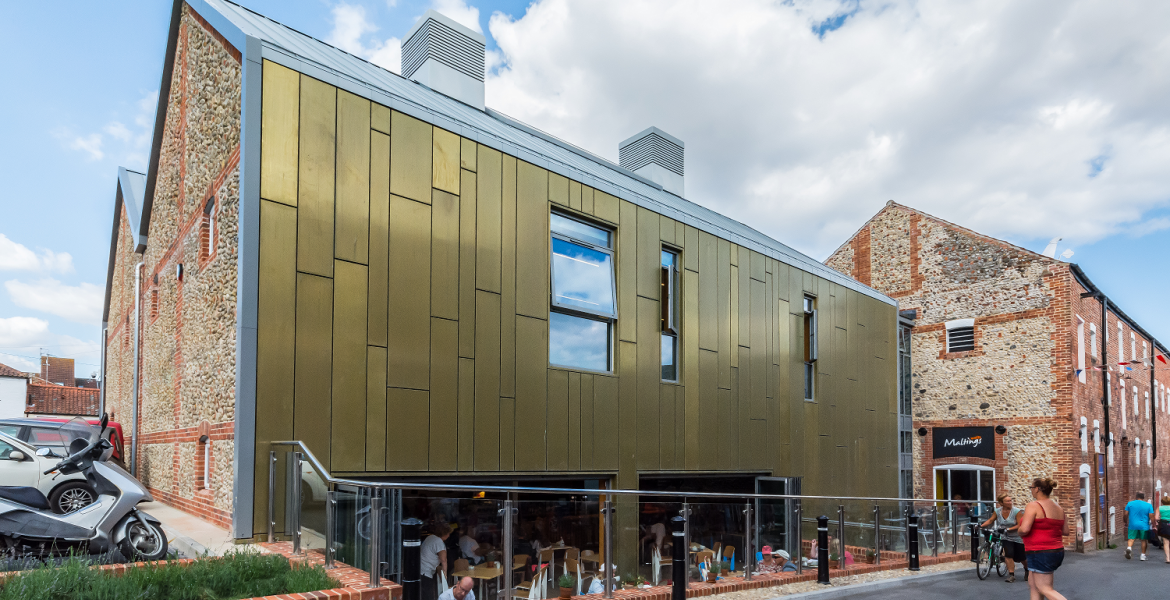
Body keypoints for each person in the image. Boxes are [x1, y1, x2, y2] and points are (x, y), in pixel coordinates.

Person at [1018, 477, 1068, 600]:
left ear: (1037, 489)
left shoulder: (1034, 505)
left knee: (1044, 588)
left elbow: (1024, 529)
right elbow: (1066, 531)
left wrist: (1018, 530)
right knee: (1034, 586)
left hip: (1040, 552)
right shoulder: (1059, 508)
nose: (1030, 490)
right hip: (1055, 551)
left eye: (1031, 487)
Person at [980, 492, 1027, 583]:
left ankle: (1027, 570)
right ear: (1001, 503)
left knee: (1021, 558)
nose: (1010, 502)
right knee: (1008, 554)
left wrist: (1008, 529)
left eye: (1010, 500)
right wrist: (981, 526)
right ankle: (1011, 575)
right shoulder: (997, 511)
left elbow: (1019, 525)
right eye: (1007, 501)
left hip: (1017, 537)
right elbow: (990, 520)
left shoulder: (1017, 512)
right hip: (1006, 537)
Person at [421, 523, 453, 600]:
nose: (449, 535)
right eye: (448, 533)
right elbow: (444, 560)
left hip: (420, 569)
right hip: (426, 572)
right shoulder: (439, 542)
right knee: (428, 596)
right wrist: (444, 577)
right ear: (446, 533)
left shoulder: (430, 537)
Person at [1124, 491, 1154, 560]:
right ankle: (1142, 556)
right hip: (1144, 525)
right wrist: (1154, 524)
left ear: (1136, 496)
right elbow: (1151, 515)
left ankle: (1129, 548)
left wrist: (1125, 522)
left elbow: (1125, 514)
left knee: (1131, 538)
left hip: (1132, 525)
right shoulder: (1148, 505)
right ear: (1143, 497)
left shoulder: (1130, 504)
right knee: (1143, 540)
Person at [1155, 496, 1170, 563]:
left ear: (1162, 501)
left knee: (1166, 542)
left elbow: (1156, 518)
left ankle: (1168, 558)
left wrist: (1161, 518)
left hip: (1164, 525)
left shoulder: (1159, 508)